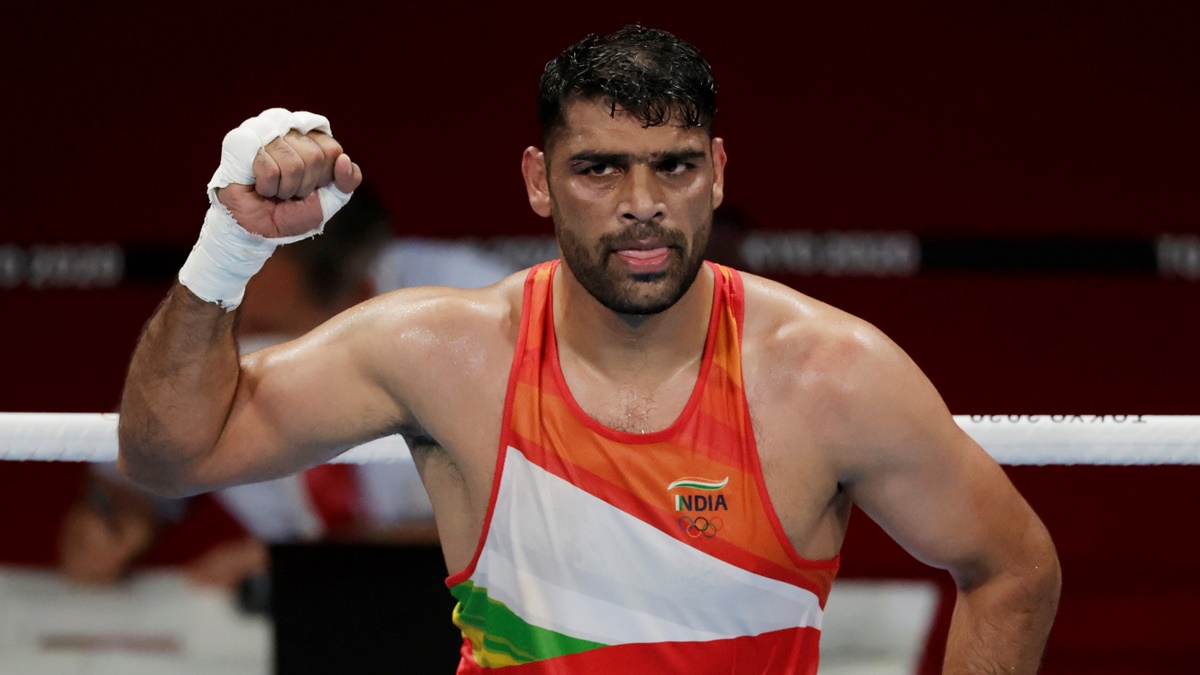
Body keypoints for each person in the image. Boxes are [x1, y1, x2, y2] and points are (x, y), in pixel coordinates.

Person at [117, 25, 1060, 674]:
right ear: (539, 181)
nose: (640, 201)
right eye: (599, 166)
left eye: (674, 165)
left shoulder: (831, 375)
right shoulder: (443, 351)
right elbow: (171, 454)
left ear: (717, 174)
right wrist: (228, 247)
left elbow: (1014, 566)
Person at [61, 185, 514, 588]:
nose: (230, 264)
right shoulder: (212, 323)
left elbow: (526, 511)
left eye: (257, 247)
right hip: (308, 626)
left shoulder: (473, 308)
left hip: (477, 603)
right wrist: (117, 513)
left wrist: (303, 566)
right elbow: (137, 478)